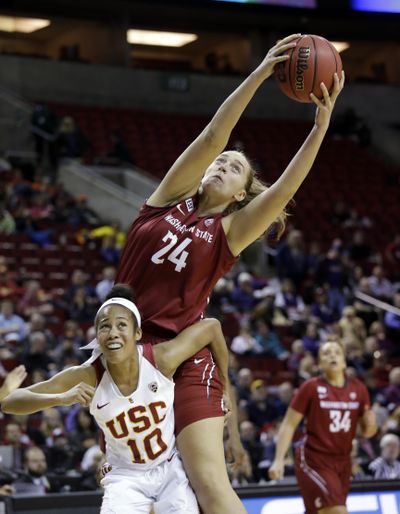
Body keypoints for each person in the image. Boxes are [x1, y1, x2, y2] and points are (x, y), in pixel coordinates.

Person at [99, 33, 345, 514]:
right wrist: (259, 73)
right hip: (127, 360)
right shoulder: (164, 202)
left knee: (208, 482)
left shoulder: (229, 232)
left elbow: (283, 190)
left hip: (183, 359)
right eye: (222, 161)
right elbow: (214, 135)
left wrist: (320, 125)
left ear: (239, 195)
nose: (224, 163)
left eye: (235, 169)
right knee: (141, 490)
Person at [2, 284, 231, 513]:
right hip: (125, 477)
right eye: (104, 327)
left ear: (137, 333)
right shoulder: (87, 375)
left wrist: (225, 389)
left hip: (169, 468)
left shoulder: (161, 359)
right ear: (97, 336)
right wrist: (61, 398)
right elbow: (10, 402)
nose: (112, 333)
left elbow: (211, 327)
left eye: (122, 325)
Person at [269, 340, 377, 514]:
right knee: (337, 510)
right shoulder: (311, 387)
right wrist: (279, 460)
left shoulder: (359, 389)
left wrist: (372, 426)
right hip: (314, 459)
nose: (332, 355)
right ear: (319, 364)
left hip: (343, 461)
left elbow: (367, 432)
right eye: (326, 353)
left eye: (336, 352)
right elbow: (289, 424)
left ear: (344, 361)